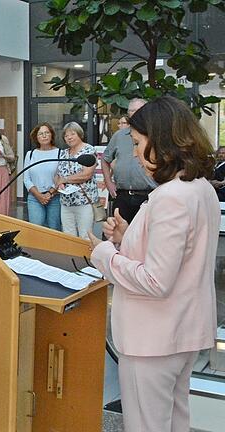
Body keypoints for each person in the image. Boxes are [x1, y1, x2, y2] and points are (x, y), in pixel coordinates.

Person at [87, 96, 219, 432]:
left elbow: (156, 280)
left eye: (137, 143)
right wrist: (127, 236)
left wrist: (105, 255)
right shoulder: (199, 187)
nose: (133, 153)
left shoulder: (171, 196)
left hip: (154, 338)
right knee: (175, 422)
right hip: (182, 332)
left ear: (161, 141)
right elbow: (182, 253)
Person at [102, 99, 156, 224]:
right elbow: (105, 159)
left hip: (148, 195)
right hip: (123, 195)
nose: (135, 113)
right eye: (132, 111)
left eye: (139, 110)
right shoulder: (119, 136)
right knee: (118, 234)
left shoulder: (155, 135)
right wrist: (108, 182)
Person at [54, 122, 97, 239]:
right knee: (68, 237)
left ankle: (86, 258)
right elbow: (57, 174)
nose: (69, 137)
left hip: (84, 201)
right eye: (66, 135)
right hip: (66, 202)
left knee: (86, 236)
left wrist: (65, 179)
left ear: (80, 134)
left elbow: (86, 174)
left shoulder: (89, 150)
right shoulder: (63, 153)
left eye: (72, 134)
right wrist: (59, 184)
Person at [23, 123, 61, 230]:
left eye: (47, 133)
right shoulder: (30, 154)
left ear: (51, 135)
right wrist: (39, 195)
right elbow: (26, 179)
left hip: (55, 197)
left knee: (54, 229)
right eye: (40, 134)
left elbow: (60, 176)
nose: (44, 136)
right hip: (34, 197)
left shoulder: (59, 153)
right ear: (36, 137)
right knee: (36, 230)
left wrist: (49, 193)